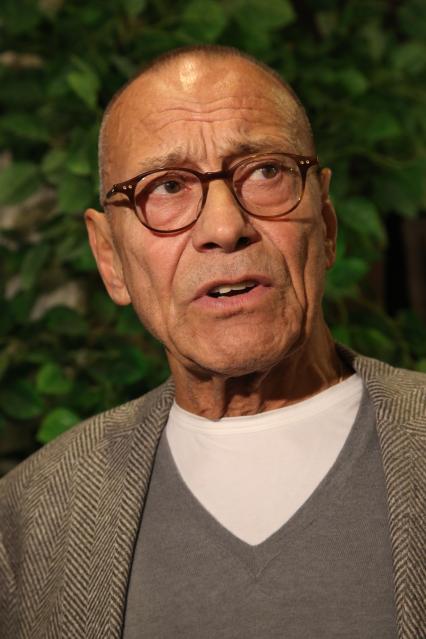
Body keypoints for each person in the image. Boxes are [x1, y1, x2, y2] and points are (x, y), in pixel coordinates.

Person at [0, 45, 425, 639]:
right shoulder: (33, 514)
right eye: (166, 186)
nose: (225, 228)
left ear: (326, 224)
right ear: (110, 257)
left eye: (266, 172)